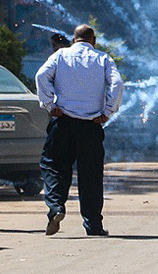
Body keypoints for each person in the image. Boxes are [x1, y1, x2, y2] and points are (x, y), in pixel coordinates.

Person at [35, 24, 123, 236]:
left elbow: (41, 76)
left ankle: (56, 207)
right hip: (91, 125)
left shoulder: (60, 56)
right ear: (93, 41)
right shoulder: (103, 58)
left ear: (73, 40)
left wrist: (50, 105)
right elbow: (117, 83)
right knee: (91, 175)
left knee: (54, 166)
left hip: (63, 120)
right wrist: (108, 112)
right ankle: (93, 225)